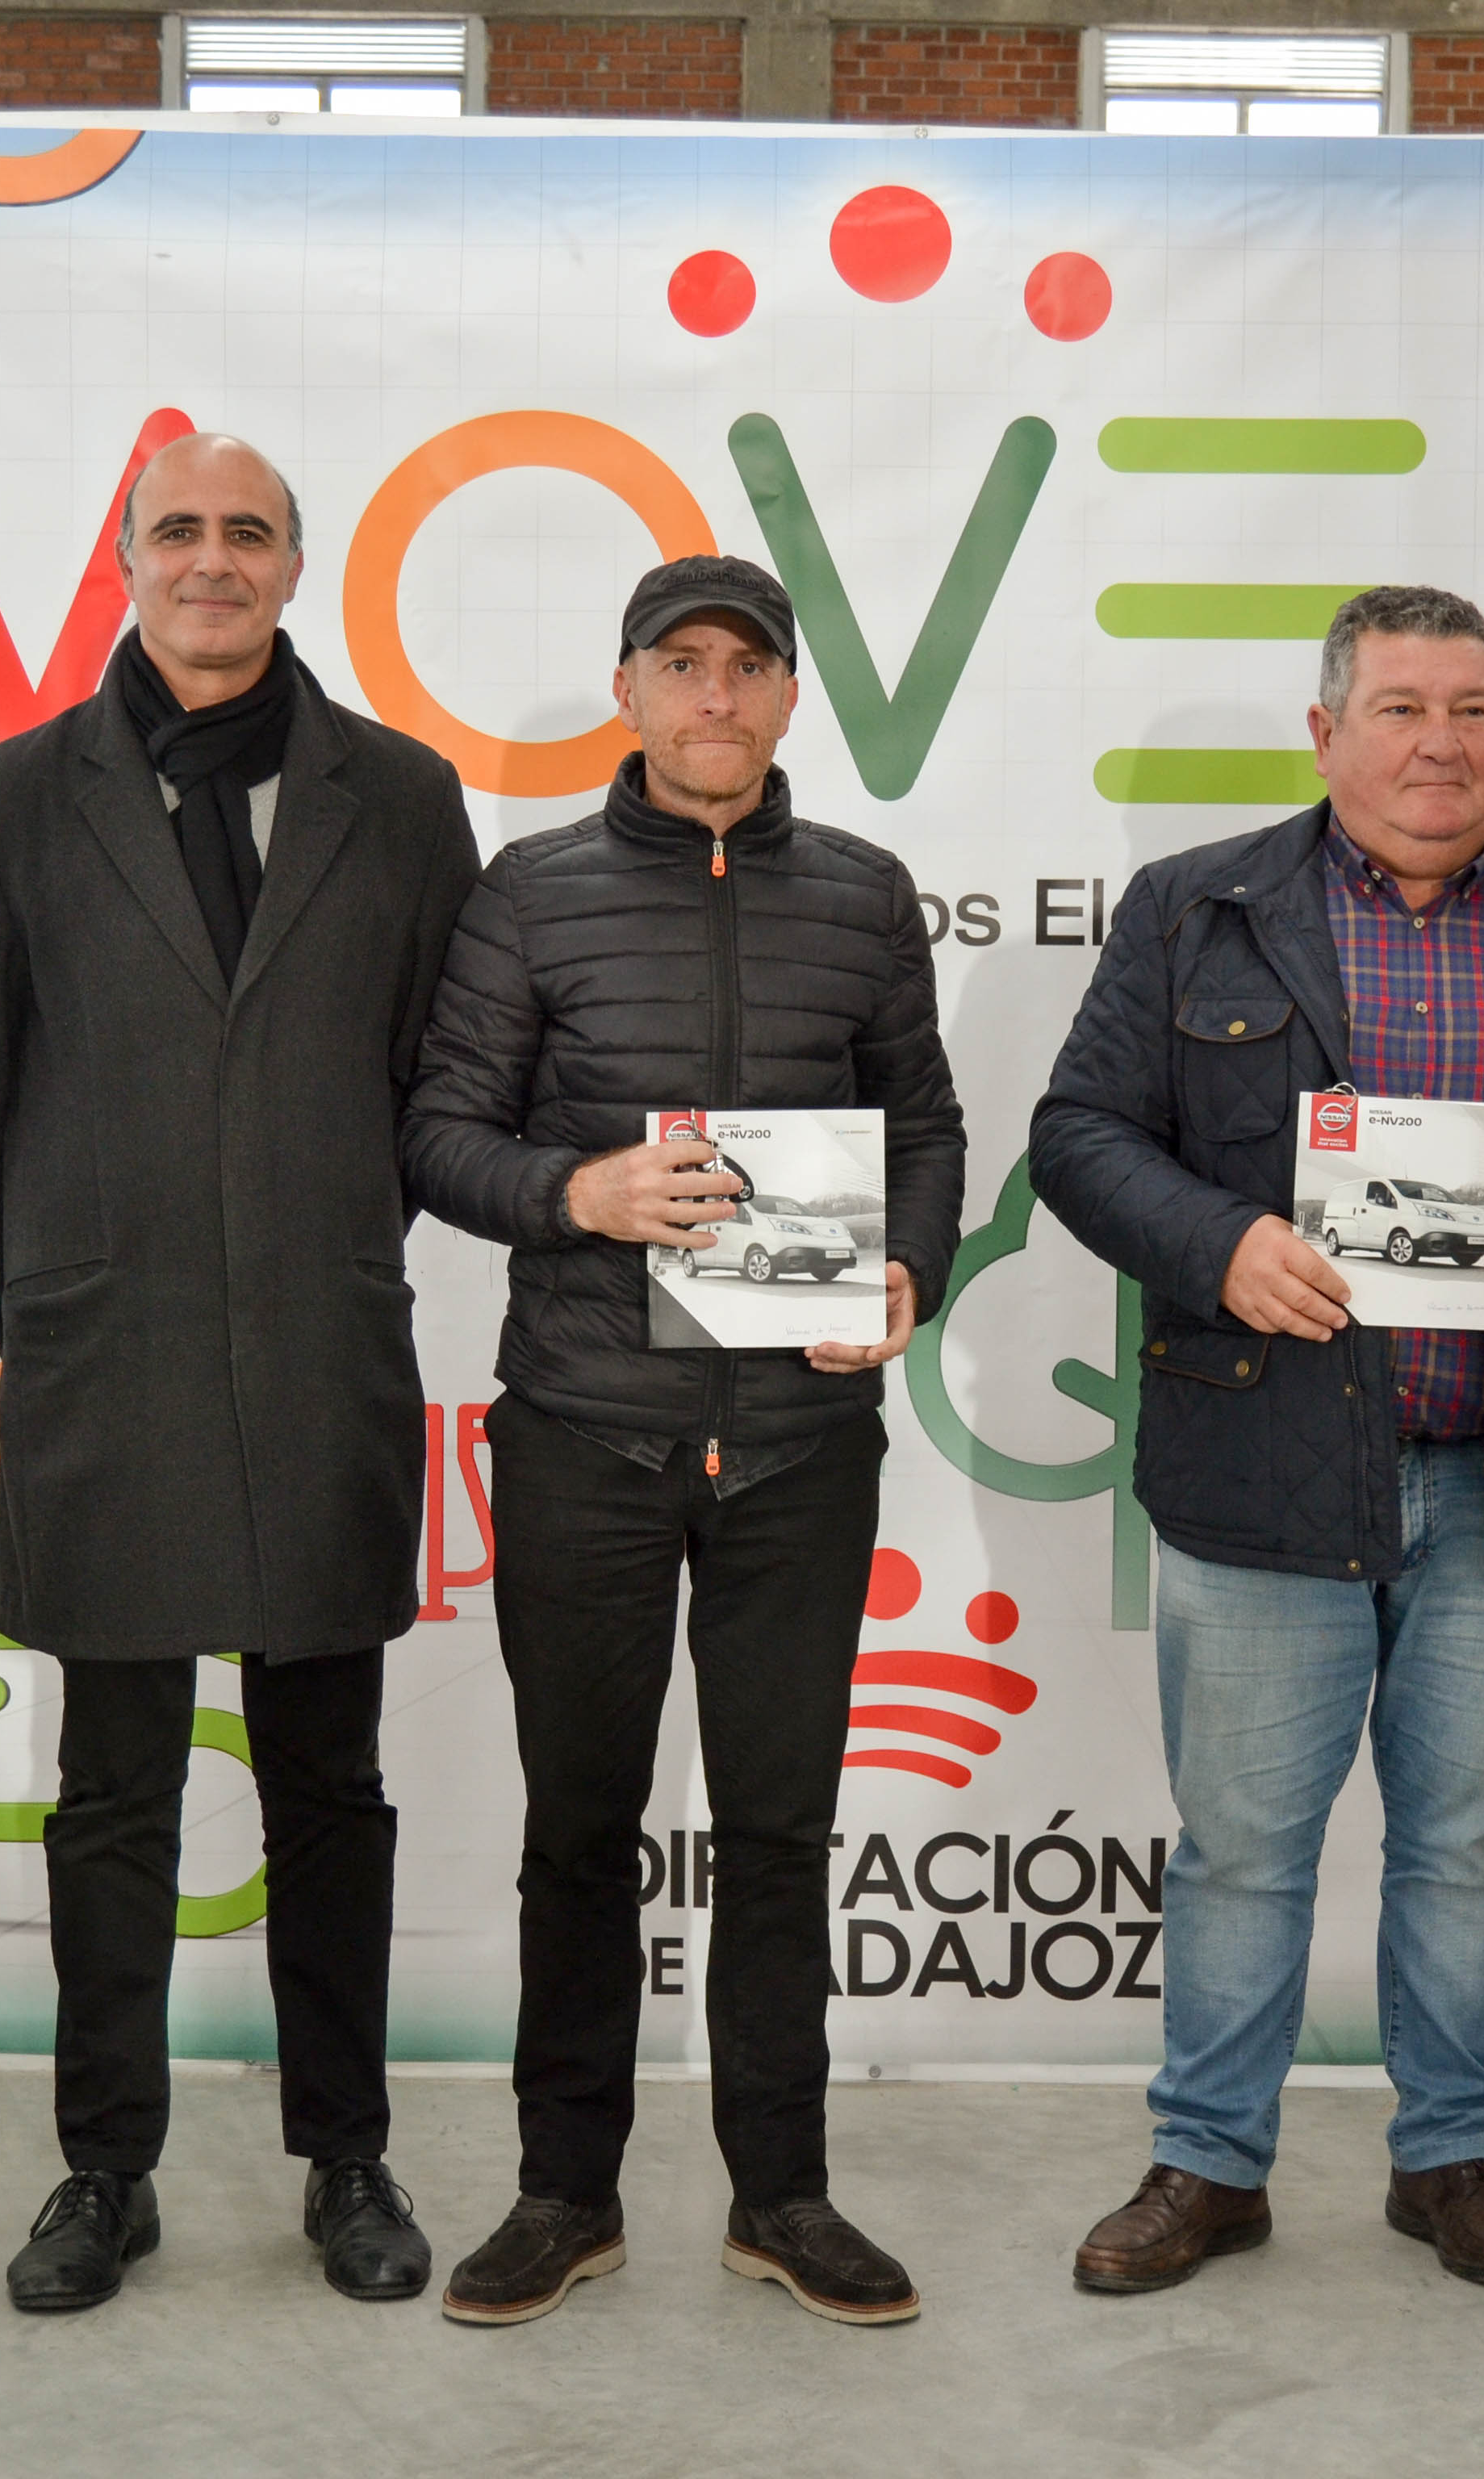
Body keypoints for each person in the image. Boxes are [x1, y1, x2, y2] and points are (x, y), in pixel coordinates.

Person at [1029, 585, 1484, 2296]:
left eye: (1473, 710)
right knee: (1243, 1850)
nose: (1440, 744)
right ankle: (1210, 2164)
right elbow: (1081, 1133)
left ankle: (1449, 2158)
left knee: (1470, 1846)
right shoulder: (1195, 910)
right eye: (1401, 709)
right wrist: (1220, 1246)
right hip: (1264, 1474)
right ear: (1326, 734)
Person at [0, 433, 481, 2314]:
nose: (212, 559)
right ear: (126, 560)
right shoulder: (6, 802)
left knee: (331, 1786)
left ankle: (347, 2157)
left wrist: (311, 1231)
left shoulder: (404, 799)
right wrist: (58, 1277)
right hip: (107, 1365)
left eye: (249, 532)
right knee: (114, 1791)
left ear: (295, 567)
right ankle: (103, 2171)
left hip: (320, 1357)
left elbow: (439, 1075)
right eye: (178, 530)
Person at [399, 554, 963, 2329]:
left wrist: (913, 1268)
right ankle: (564, 2193)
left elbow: (927, 1127)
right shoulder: (532, 893)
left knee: (782, 1834)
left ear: (788, 696)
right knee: (581, 1829)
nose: (715, 696)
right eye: (681, 664)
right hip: (590, 1439)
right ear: (629, 692)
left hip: (801, 1445)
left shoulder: (865, 895)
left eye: (746, 667)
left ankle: (781, 2197)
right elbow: (440, 1133)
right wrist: (581, 1191)